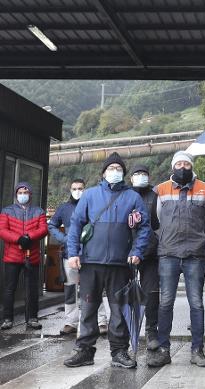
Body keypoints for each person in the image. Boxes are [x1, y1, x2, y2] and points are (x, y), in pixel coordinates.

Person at [63, 152, 150, 368]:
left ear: (124, 173)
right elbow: (75, 224)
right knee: (89, 307)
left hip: (121, 264)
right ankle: (84, 351)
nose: (115, 172)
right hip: (90, 262)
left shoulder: (133, 197)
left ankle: (119, 352)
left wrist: (137, 252)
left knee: (119, 309)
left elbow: (144, 228)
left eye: (118, 169)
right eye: (111, 169)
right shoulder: (90, 195)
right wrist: (73, 252)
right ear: (103, 173)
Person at [148, 151, 205, 368]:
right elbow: (154, 221)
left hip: (195, 254)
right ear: (173, 166)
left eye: (186, 163)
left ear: (191, 166)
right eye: (179, 163)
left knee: (196, 303)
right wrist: (167, 238)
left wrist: (201, 240)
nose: (183, 167)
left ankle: (197, 350)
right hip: (168, 254)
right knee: (165, 302)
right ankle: (164, 350)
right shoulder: (161, 189)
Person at [48, 179, 109, 336]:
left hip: (91, 255)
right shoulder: (64, 208)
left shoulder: (93, 205)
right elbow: (52, 225)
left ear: (85, 189)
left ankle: (102, 321)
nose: (77, 191)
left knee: (95, 288)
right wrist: (63, 239)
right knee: (70, 290)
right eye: (74, 188)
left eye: (80, 188)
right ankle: (70, 322)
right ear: (70, 189)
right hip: (70, 254)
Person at [0, 182, 48, 330]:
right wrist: (18, 239)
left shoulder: (38, 211)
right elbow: (2, 230)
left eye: (25, 192)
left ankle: (32, 318)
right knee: (9, 288)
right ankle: (7, 319)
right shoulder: (7, 211)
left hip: (31, 256)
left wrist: (29, 236)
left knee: (32, 289)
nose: (23, 194)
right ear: (16, 194)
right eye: (20, 192)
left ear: (30, 194)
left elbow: (44, 229)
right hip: (12, 257)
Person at [129, 165, 160, 351]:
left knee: (152, 293)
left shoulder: (156, 196)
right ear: (131, 178)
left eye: (144, 174)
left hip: (151, 252)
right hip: (128, 253)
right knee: (124, 293)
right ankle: (124, 330)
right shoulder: (125, 196)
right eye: (137, 174)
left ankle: (151, 331)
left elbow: (160, 223)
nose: (141, 177)